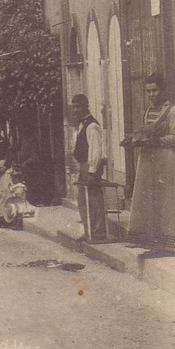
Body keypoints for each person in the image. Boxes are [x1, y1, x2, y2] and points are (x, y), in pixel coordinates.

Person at [126, 74, 175, 254]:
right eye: (148, 91)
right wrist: (137, 139)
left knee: (167, 200)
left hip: (166, 159)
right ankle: (150, 240)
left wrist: (156, 141)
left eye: (155, 90)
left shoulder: (173, 111)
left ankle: (170, 242)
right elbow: (146, 132)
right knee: (148, 200)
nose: (151, 94)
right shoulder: (149, 111)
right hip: (149, 160)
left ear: (163, 90)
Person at [70, 94, 106, 243]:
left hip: (91, 167)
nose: (75, 110)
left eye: (78, 107)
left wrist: (92, 171)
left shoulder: (92, 126)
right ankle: (88, 232)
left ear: (86, 106)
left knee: (93, 201)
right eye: (74, 107)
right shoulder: (81, 125)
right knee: (83, 201)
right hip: (83, 166)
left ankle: (97, 234)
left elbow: (96, 151)